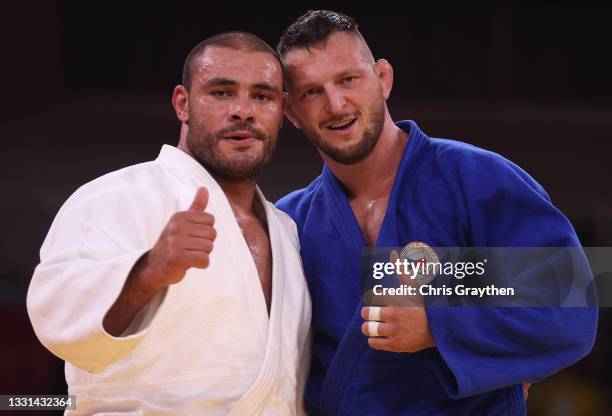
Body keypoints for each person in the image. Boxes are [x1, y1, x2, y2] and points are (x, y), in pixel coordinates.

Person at [276, 10, 597, 415]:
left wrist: (438, 328)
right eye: (311, 92)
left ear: (383, 78)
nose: (336, 104)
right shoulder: (290, 222)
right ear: (290, 112)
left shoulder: (478, 179)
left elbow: (572, 314)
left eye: (347, 80)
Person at [27, 32, 311, 415]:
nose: (243, 110)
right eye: (222, 92)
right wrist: (150, 270)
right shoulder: (118, 196)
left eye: (261, 96)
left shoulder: (287, 230)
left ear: (282, 110)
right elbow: (56, 315)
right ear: (183, 103)